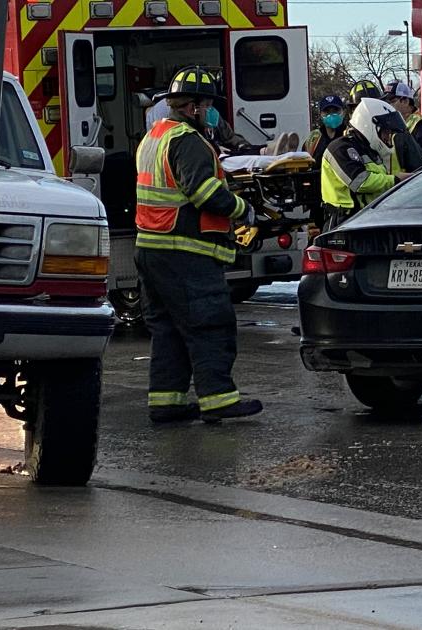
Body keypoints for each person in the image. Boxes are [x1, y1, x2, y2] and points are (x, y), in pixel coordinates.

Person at [133, 66, 264, 424]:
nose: (212, 111)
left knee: (168, 331)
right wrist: (243, 208)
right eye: (208, 104)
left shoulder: (154, 137)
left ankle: (167, 402)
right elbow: (204, 193)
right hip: (185, 251)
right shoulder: (187, 141)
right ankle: (218, 398)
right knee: (210, 324)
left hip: (152, 249)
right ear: (191, 107)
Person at [317, 97, 411, 231]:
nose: (387, 136)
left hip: (365, 219)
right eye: (385, 131)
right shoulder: (340, 148)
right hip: (343, 223)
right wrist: (396, 179)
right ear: (370, 125)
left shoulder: (368, 149)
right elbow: (360, 182)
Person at [384, 81, 422, 164]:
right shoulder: (392, 128)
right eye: (386, 102)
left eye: (392, 101)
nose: (387, 106)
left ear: (405, 101)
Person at [304, 94, 347, 164]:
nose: (331, 115)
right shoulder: (313, 139)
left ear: (344, 113)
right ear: (320, 115)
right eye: (327, 111)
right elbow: (305, 163)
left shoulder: (350, 136)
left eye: (335, 110)